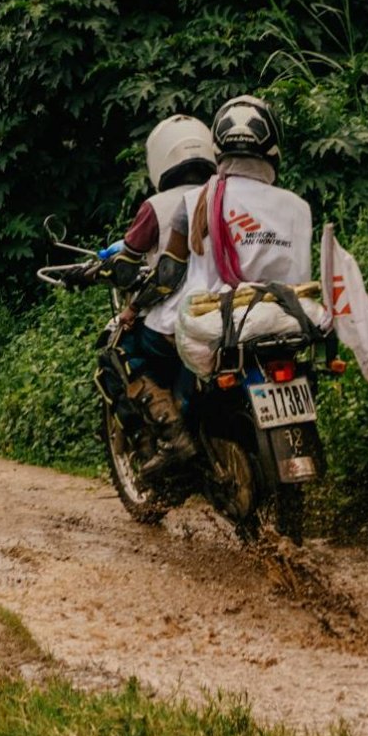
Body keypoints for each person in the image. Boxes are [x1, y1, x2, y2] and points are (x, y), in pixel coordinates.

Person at [134, 94, 312, 473]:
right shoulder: (298, 206)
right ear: (273, 149)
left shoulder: (198, 200)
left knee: (145, 342)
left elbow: (168, 275)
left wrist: (135, 306)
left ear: (219, 150)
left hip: (219, 325)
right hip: (291, 318)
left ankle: (177, 437)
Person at [108, 115, 216, 475]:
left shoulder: (155, 207)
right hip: (228, 310)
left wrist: (132, 301)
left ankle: (172, 436)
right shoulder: (224, 194)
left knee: (119, 351)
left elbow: (137, 265)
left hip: (175, 316)